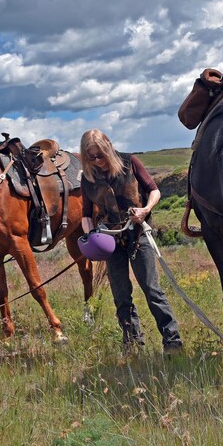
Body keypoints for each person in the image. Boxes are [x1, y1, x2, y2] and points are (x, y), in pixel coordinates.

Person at [79, 129, 183, 353]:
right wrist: (90, 238)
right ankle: (133, 343)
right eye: (91, 157)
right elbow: (86, 215)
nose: (97, 161)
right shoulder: (88, 178)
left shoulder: (129, 162)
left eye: (100, 155)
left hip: (137, 236)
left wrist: (145, 210)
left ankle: (172, 340)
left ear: (108, 147)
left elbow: (154, 191)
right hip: (109, 241)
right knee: (120, 295)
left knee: (151, 289)